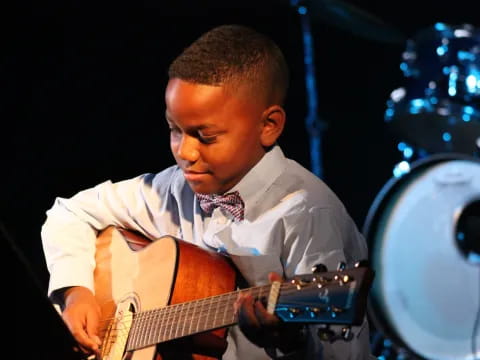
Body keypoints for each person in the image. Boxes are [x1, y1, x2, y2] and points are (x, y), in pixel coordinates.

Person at [41, 24, 373, 359]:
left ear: (268, 126)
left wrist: (290, 341)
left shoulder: (309, 215)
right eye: (175, 130)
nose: (184, 152)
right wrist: (76, 291)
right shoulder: (172, 188)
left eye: (205, 136)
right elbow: (68, 213)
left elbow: (344, 355)